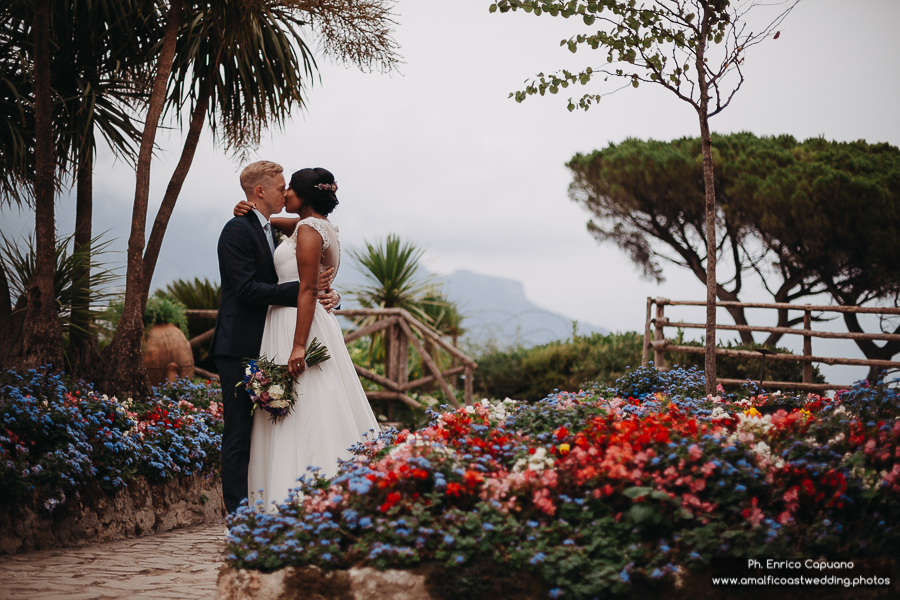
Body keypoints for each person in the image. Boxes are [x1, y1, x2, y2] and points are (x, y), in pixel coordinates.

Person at [236, 167, 380, 512]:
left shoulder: (311, 231)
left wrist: (298, 345)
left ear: (303, 196)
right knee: (304, 405)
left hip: (300, 325)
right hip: (297, 320)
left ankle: (306, 494)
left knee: (310, 407)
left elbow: (307, 288)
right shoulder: (311, 226)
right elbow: (277, 224)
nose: (284, 196)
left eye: (289, 191)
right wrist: (248, 211)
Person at [211, 161, 339, 516]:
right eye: (281, 187)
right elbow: (246, 289)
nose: (286, 192)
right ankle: (238, 515)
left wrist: (323, 294)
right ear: (260, 192)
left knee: (271, 428)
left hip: (270, 342)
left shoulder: (279, 228)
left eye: (290, 187)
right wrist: (306, 291)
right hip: (239, 344)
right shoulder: (236, 230)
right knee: (239, 431)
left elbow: (311, 252)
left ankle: (272, 501)